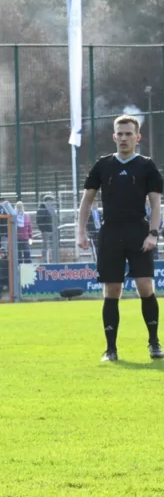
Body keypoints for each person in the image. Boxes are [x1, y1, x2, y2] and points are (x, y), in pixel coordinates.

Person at [77, 114, 163, 362]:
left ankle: (154, 343)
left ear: (138, 137)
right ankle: (111, 349)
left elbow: (155, 204)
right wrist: (80, 232)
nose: (124, 138)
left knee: (145, 285)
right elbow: (87, 200)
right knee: (112, 289)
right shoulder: (103, 165)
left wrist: (153, 233)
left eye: (129, 134)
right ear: (114, 136)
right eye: (120, 134)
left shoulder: (146, 166)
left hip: (139, 233)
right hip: (111, 233)